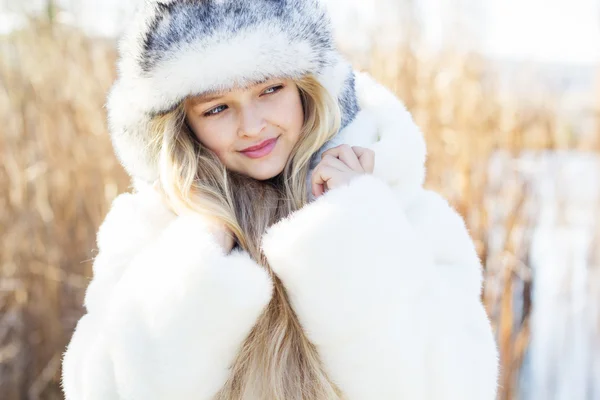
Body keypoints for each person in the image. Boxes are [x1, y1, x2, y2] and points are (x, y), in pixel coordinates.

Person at [61, 1, 499, 399]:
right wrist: (198, 253)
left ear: (307, 88)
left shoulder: (396, 208)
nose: (251, 125)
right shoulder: (150, 227)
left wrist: (354, 226)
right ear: (184, 125)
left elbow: (456, 386)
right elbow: (100, 389)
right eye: (217, 108)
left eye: (270, 90)